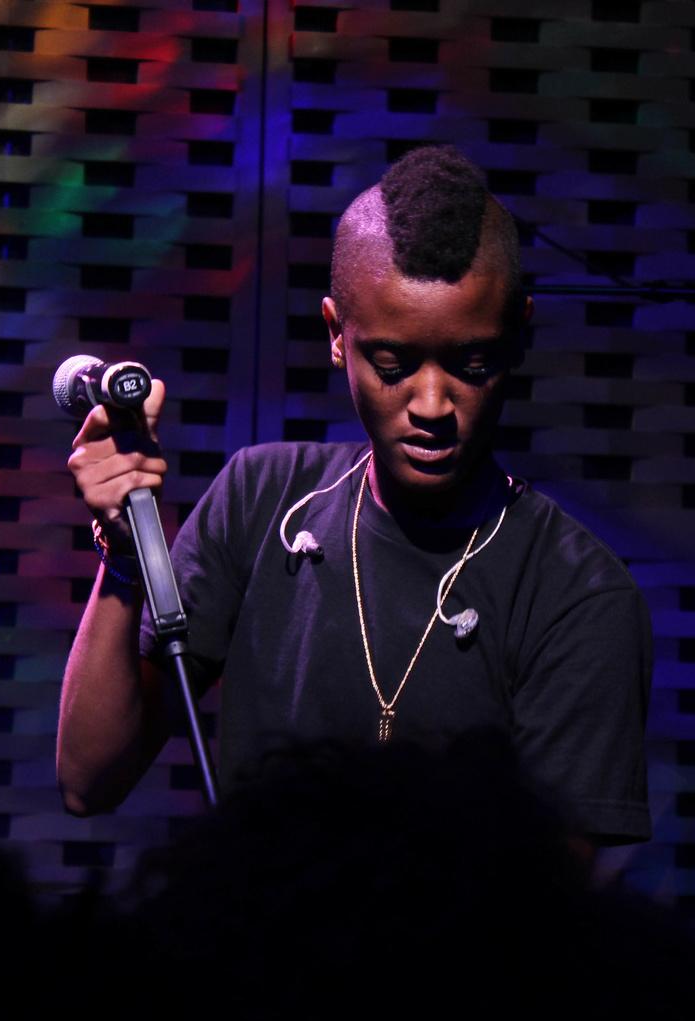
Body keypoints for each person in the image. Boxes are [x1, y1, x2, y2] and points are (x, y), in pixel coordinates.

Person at [57, 145, 652, 843]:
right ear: (338, 334)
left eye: (473, 363)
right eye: (393, 364)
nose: (433, 403)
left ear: (519, 333)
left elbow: (553, 911)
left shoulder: (576, 594)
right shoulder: (259, 501)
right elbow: (88, 778)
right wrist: (126, 560)